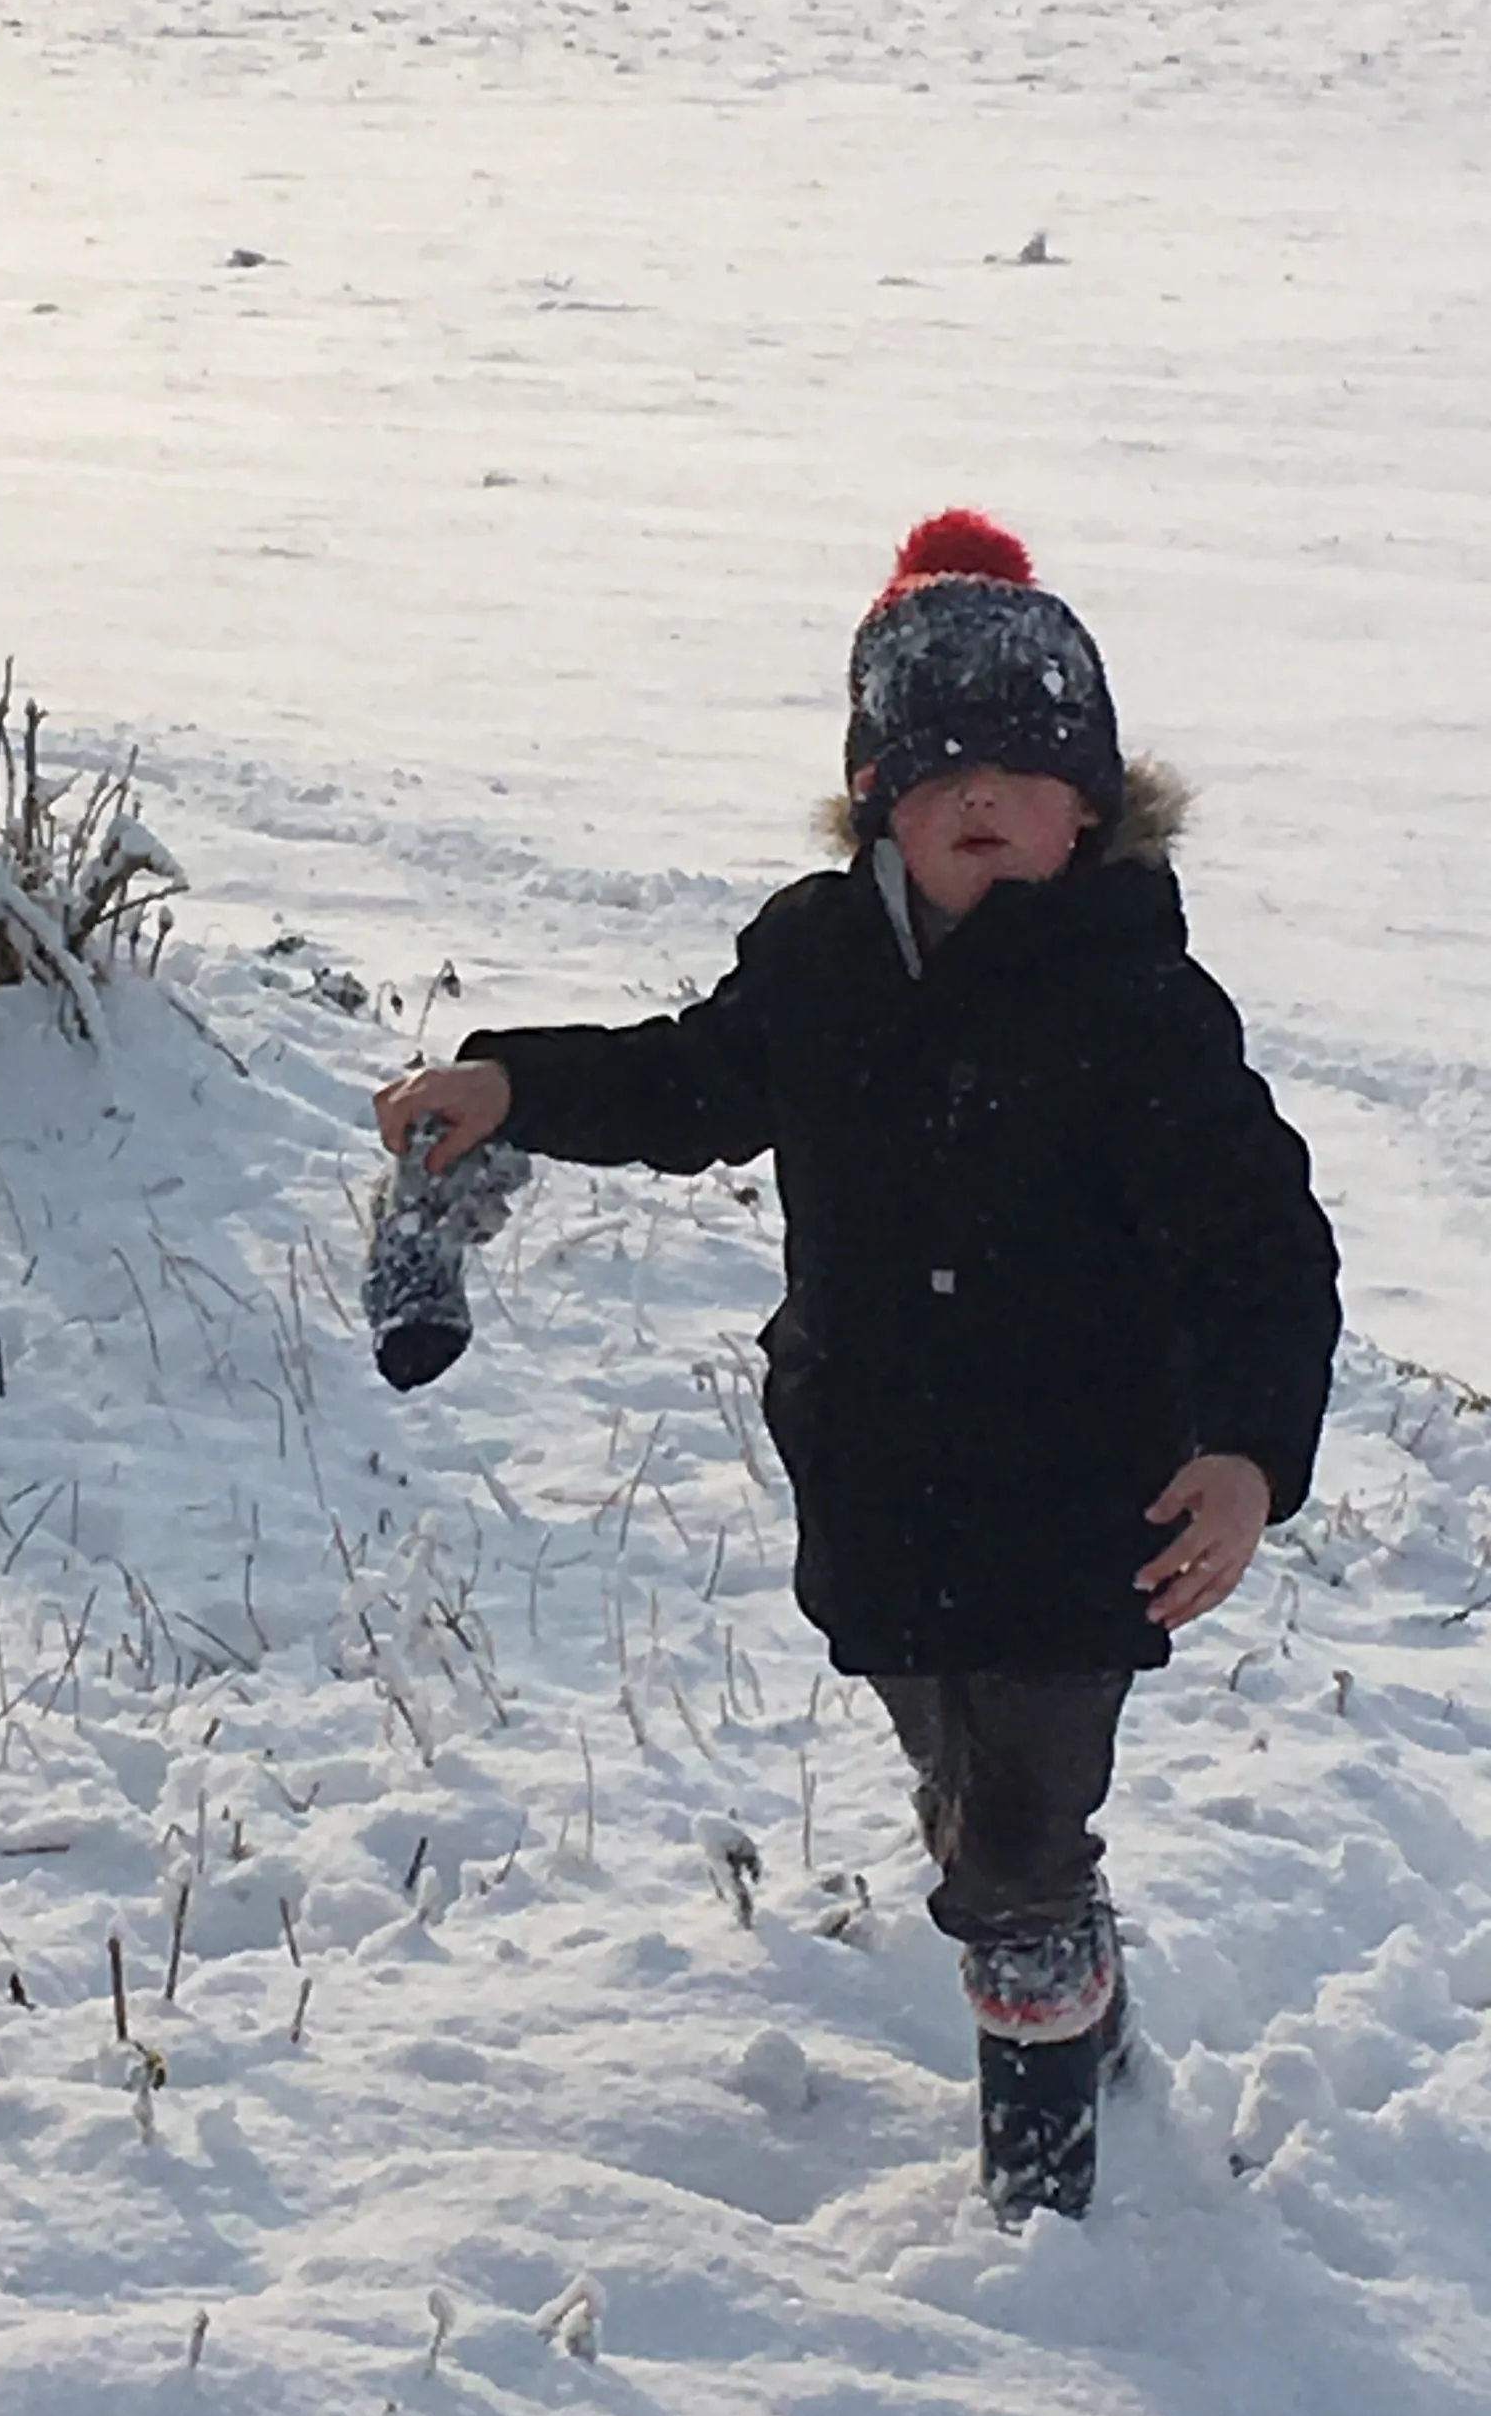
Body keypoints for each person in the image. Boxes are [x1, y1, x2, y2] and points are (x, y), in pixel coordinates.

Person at [372, 511, 1341, 2222]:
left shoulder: (1141, 1006)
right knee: (958, 1784)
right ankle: (1065, 1963)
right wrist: (514, 1084)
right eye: (940, 768)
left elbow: (1266, 1248)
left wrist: (1253, 1453)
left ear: (1092, 807)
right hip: (880, 1479)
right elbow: (688, 1083)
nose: (983, 800)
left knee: (1014, 1848)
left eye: (1026, 771)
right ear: (878, 799)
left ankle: (1048, 2200)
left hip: (1083, 1501)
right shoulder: (818, 965)